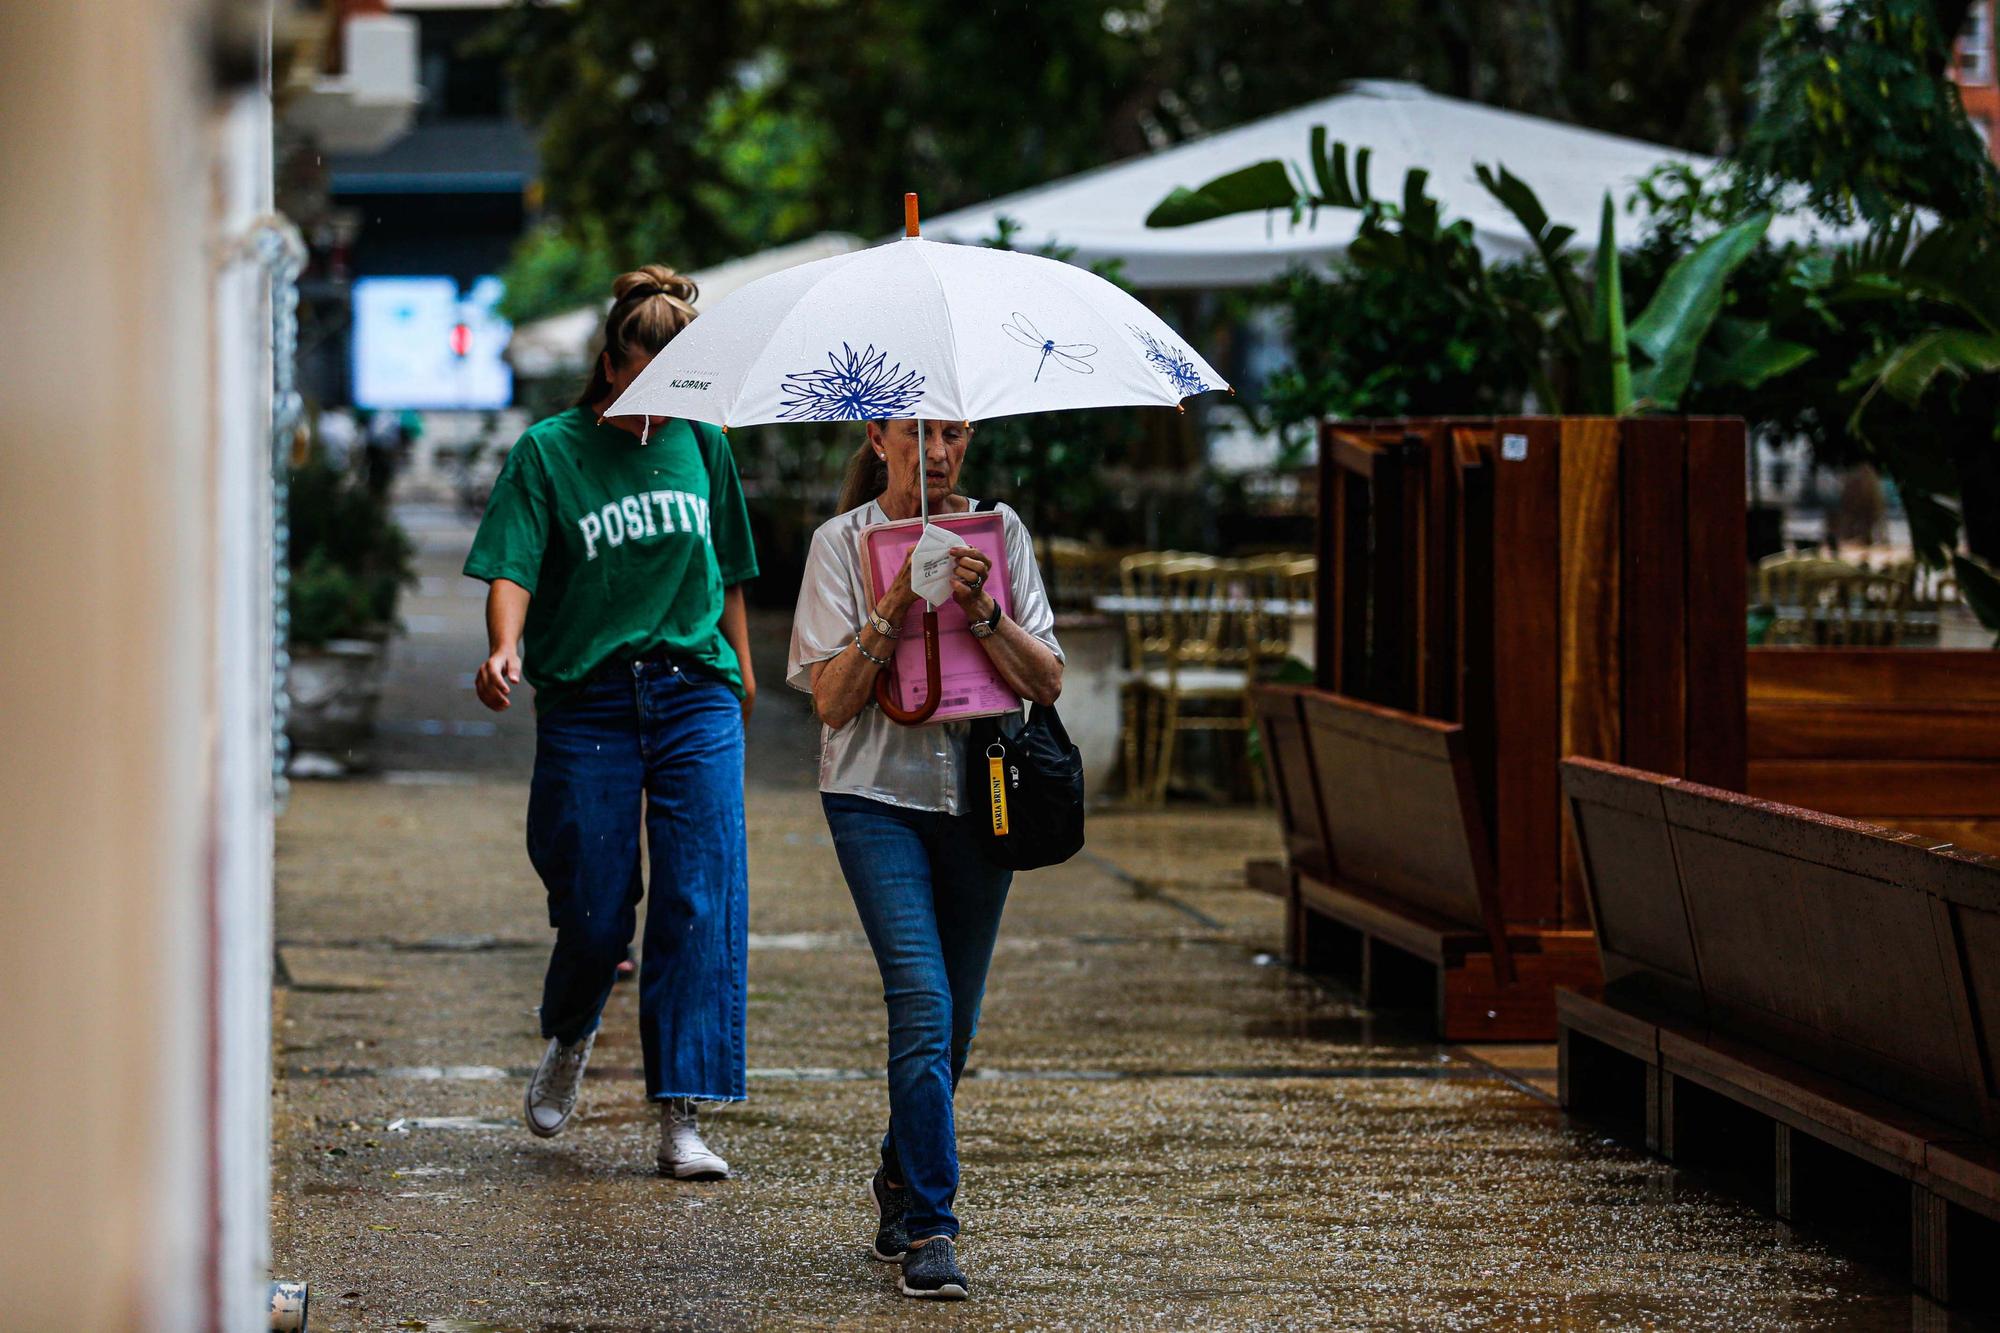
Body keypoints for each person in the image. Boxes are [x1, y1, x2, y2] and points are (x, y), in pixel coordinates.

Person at [463, 265, 758, 1180]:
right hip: (589, 697)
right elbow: (512, 565)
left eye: (678, 380)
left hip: (692, 691)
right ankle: (572, 1027)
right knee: (595, 908)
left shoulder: (704, 445)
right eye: (645, 376)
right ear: (610, 362)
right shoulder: (549, 452)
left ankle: (682, 1110)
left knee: (698, 896)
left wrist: (742, 668)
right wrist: (505, 646)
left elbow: (731, 565)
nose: (659, 399)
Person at [787, 419, 1064, 1300]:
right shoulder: (841, 544)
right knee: (922, 998)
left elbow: (1047, 679)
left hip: (981, 803)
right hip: (874, 797)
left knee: (959, 1023)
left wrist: (982, 611)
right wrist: (897, 597)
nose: (936, 452)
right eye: (918, 435)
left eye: (951, 434)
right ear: (880, 437)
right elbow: (832, 701)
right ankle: (933, 1228)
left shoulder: (1001, 532)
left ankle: (900, 1175)